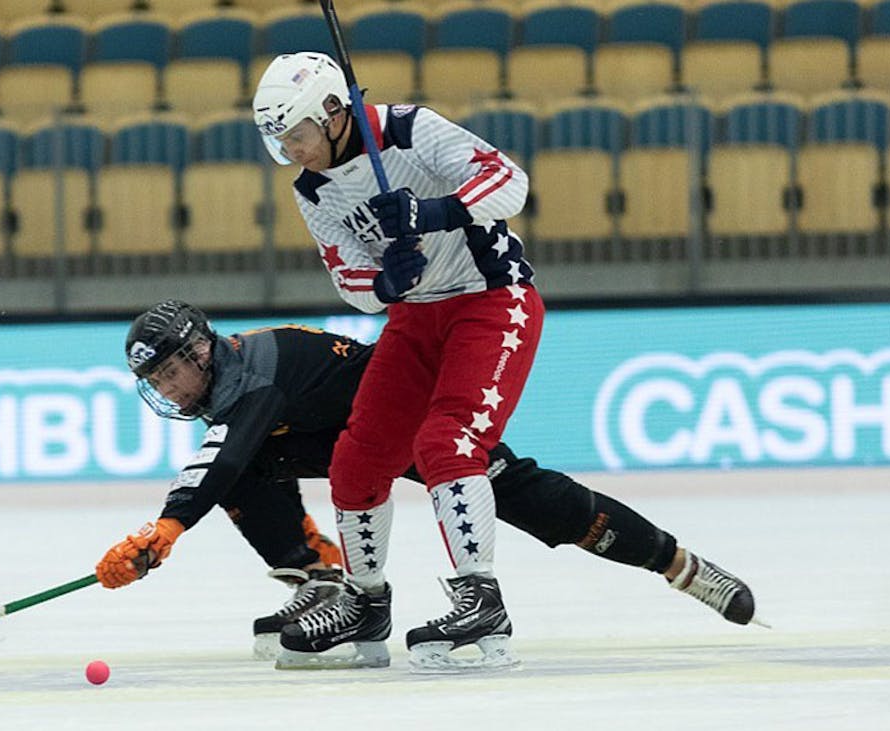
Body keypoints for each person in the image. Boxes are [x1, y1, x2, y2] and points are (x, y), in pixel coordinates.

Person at [95, 301, 762, 668]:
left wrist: (167, 525)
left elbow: (223, 451)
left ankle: (680, 563)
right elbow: (229, 456)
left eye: (165, 376)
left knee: (533, 500)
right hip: (351, 436)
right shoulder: (227, 385)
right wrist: (173, 520)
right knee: (246, 472)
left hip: (410, 416)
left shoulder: (255, 371)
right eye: (153, 385)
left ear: (197, 354)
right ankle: (324, 578)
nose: (165, 390)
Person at [247, 50, 543, 672]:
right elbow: (349, 279)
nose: (292, 152)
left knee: (448, 442)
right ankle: (365, 600)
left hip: (489, 300)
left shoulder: (410, 129)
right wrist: (386, 282)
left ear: (333, 113)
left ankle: (481, 597)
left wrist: (434, 213)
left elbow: (509, 182)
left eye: (296, 136)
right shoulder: (311, 188)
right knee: (357, 456)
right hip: (414, 317)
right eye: (279, 143)